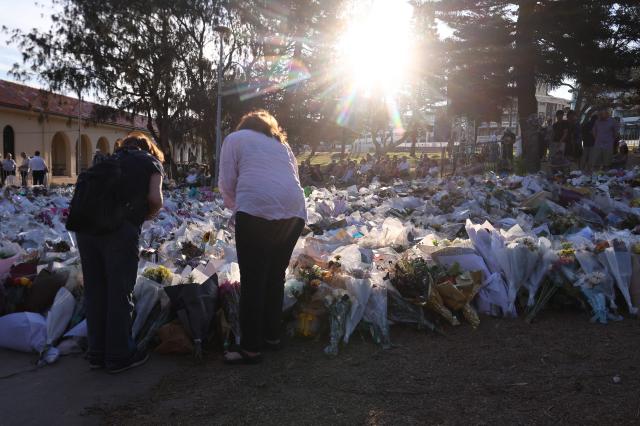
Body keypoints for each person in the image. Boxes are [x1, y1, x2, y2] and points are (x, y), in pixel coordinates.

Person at [219, 110, 306, 364]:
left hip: (255, 210)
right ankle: (272, 337)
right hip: (293, 212)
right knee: (275, 276)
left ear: (244, 124)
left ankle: (250, 347)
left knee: (254, 279)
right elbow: (294, 179)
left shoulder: (235, 139)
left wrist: (240, 204)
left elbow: (226, 182)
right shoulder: (282, 145)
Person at [75, 132, 164, 373]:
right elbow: (155, 198)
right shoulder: (149, 162)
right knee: (119, 291)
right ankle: (119, 356)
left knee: (95, 291)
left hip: (85, 230)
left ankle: (97, 353)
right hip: (118, 230)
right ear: (149, 148)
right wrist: (146, 215)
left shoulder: (105, 161)